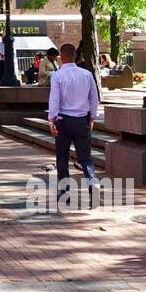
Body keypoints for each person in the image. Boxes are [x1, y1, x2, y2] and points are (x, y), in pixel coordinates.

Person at [47, 43, 101, 193]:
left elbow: (55, 99)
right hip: (82, 119)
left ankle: (65, 192)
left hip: (63, 120)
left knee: (62, 157)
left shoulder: (57, 75)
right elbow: (94, 98)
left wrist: (51, 119)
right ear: (75, 56)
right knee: (85, 157)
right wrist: (92, 117)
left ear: (61, 57)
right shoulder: (87, 74)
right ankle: (92, 182)